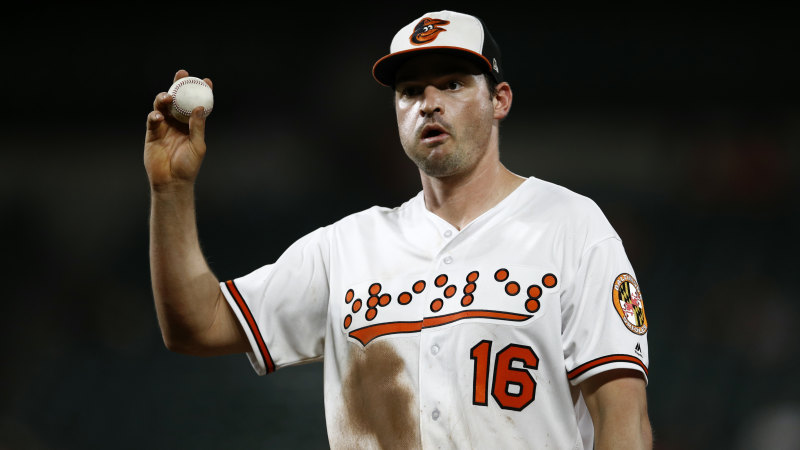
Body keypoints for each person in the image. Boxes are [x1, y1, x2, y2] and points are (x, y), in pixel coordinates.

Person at [144, 10, 652, 449]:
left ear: (499, 99)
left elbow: (622, 421)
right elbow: (197, 324)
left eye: (452, 83)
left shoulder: (569, 225)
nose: (429, 102)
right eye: (410, 91)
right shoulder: (347, 248)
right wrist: (171, 192)